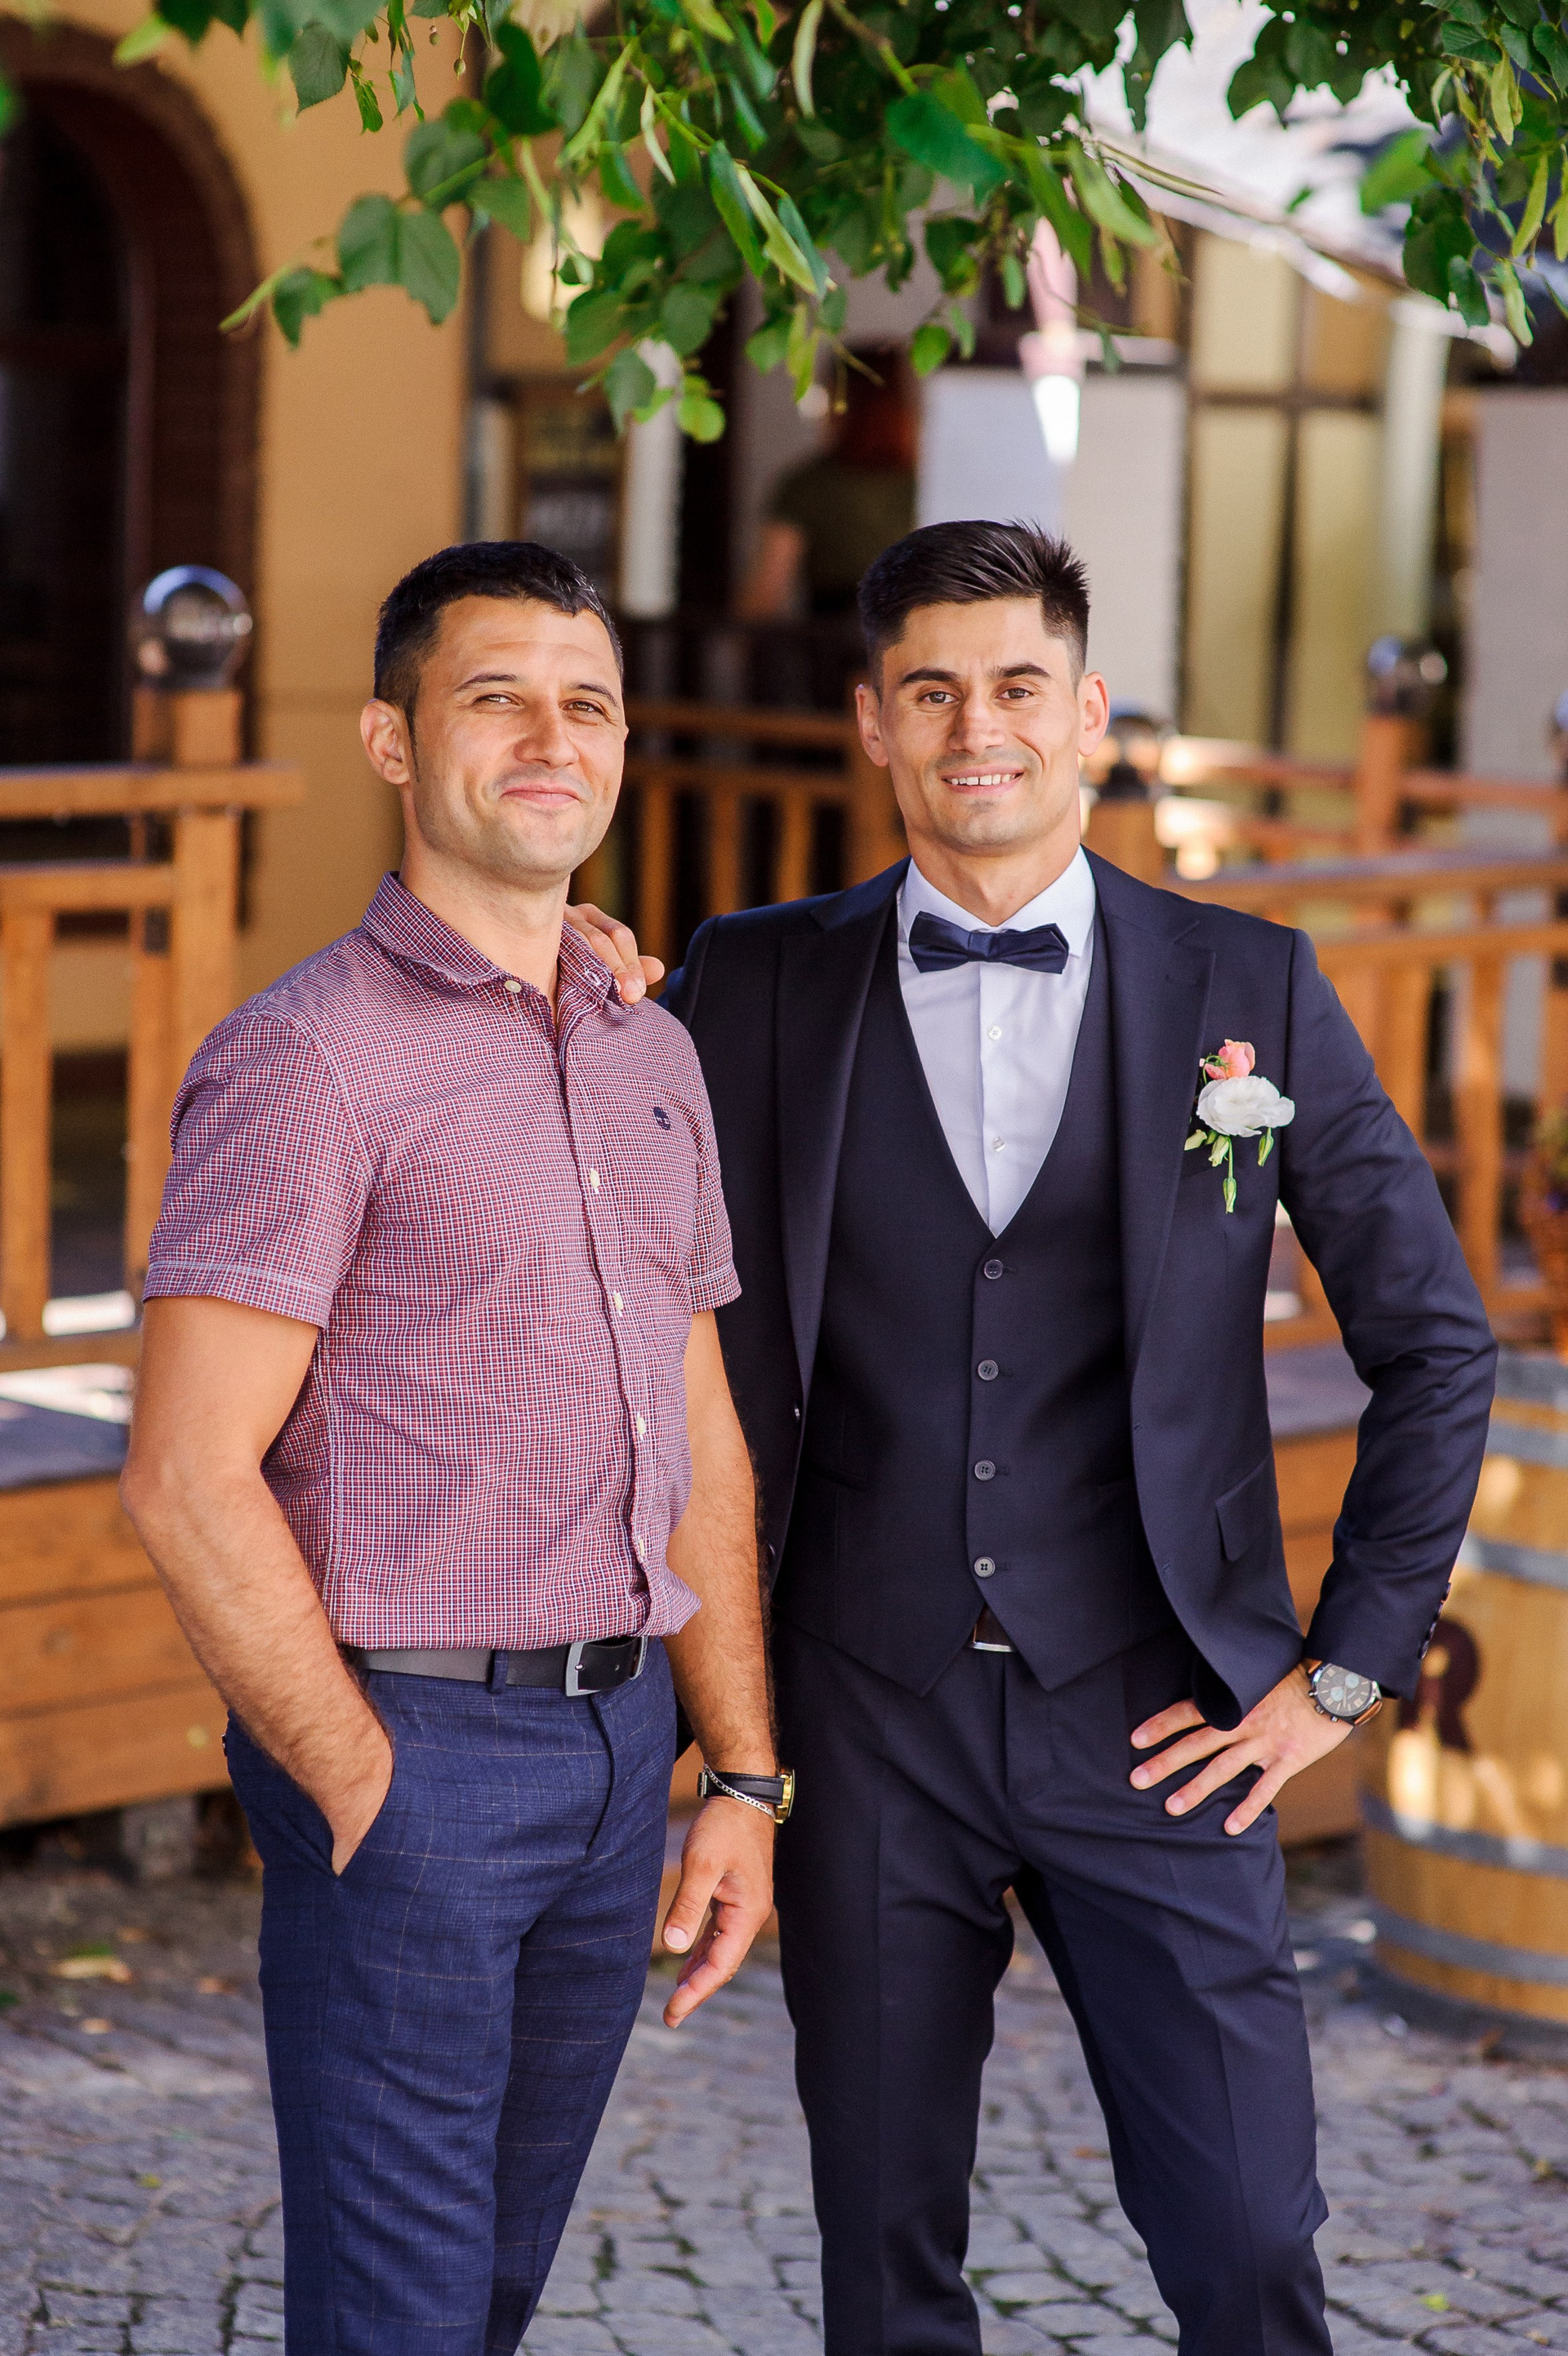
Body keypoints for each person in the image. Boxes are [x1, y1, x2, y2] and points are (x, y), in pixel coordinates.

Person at [578, 520, 1496, 2354]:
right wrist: (566, 974)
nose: (973, 727)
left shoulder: (1252, 987)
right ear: (873, 723)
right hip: (867, 1713)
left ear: (1089, 715)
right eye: (929, 691)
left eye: (1016, 686)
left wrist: (1339, 1677)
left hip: (1165, 1716)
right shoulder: (751, 982)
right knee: (884, 2261)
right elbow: (585, 1162)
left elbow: (1435, 1342)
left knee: (1248, 2242)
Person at [120, 541, 788, 2356]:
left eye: (588, 705)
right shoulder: (307, 1061)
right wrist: (358, 1776)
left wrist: (740, 1773)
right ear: (393, 740)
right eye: (497, 698)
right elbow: (184, 1471)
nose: (551, 740)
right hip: (419, 1749)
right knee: (398, 2308)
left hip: (622, 1749)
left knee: (489, 2292)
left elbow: (698, 1424)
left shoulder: (650, 1052)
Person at [738, 341, 917, 621]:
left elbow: (766, 594)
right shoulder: (929, 480)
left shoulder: (807, 484)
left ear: (841, 402)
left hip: (831, 639)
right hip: (912, 638)